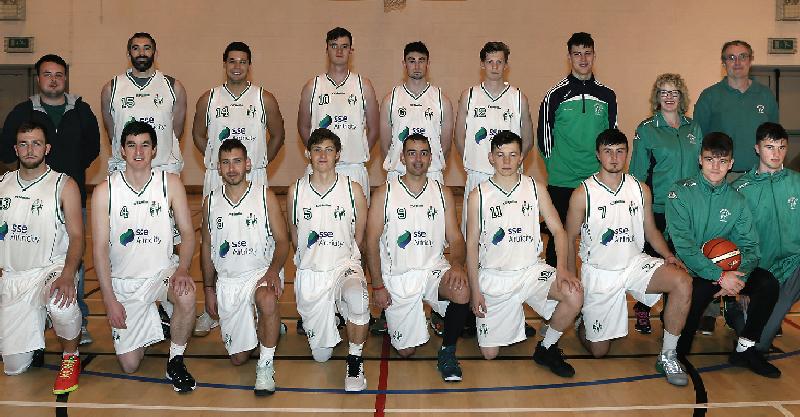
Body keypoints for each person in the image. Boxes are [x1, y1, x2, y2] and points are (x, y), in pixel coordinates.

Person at [565, 128, 693, 386]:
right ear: (598, 155)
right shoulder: (583, 193)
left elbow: (651, 231)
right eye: (608, 152)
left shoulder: (640, 189)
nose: (614, 157)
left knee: (682, 281)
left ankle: (668, 354)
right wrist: (570, 276)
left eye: (620, 151)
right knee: (599, 351)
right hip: (600, 271)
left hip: (634, 263)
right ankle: (583, 320)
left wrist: (668, 255)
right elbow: (568, 238)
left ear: (627, 154)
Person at [0, 54, 100, 345]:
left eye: (58, 74)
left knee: (71, 257)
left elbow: (92, 149)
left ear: (65, 78)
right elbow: (7, 149)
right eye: (47, 74)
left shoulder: (81, 110)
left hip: (70, 195)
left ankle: (75, 319)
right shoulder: (22, 111)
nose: (53, 79)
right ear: (39, 78)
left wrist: (66, 176)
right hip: (28, 198)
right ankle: (32, 315)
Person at [465, 130, 583, 377]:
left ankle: (547, 347)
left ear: (521, 158)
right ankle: (509, 316)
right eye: (500, 155)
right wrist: (475, 291)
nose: (506, 161)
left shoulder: (535, 188)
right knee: (490, 354)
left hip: (531, 271)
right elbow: (471, 246)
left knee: (573, 293)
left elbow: (559, 232)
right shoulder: (478, 195)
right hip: (495, 277)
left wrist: (562, 269)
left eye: (512, 155)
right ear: (491, 158)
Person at [91, 121, 198, 392]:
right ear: (121, 151)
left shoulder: (170, 184)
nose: (138, 151)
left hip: (161, 275)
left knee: (185, 293)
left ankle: (175, 359)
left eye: (145, 145)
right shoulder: (105, 191)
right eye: (131, 145)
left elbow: (187, 234)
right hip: (125, 283)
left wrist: (183, 268)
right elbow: (100, 249)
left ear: (154, 150)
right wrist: (109, 299)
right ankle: (160, 319)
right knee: (130, 364)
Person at [666, 132, 780, 378]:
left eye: (722, 161)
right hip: (692, 270)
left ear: (731, 163)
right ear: (700, 160)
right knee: (695, 292)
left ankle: (745, 349)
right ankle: (677, 352)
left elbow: (751, 246)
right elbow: (683, 245)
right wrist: (719, 276)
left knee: (768, 284)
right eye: (710, 160)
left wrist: (737, 277)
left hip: (728, 271)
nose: (715, 166)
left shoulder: (737, 200)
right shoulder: (681, 192)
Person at [191, 41, 286, 337]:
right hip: (217, 175)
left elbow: (279, 134)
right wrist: (214, 163)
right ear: (224, 63)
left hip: (253, 175)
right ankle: (213, 309)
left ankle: (267, 309)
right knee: (217, 241)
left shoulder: (263, 98)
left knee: (262, 242)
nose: (236, 66)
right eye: (232, 61)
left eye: (242, 61)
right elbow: (197, 134)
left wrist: (257, 164)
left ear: (249, 65)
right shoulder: (209, 98)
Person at [366, 133, 470, 382]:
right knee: (406, 351)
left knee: (462, 290)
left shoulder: (442, 192)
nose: (418, 159)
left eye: (424, 153)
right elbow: (370, 243)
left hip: (432, 269)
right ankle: (402, 320)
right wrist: (378, 285)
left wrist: (456, 265)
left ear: (431, 158)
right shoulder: (384, 193)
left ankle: (447, 351)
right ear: (402, 157)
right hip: (398, 276)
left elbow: (456, 238)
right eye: (412, 153)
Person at [200, 139, 290, 395]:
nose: (232, 168)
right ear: (218, 167)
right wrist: (208, 289)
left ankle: (266, 365)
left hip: (260, 273)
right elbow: (206, 247)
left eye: (237, 161)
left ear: (248, 164)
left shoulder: (265, 195)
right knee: (239, 357)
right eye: (226, 163)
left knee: (267, 299)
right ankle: (267, 327)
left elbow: (283, 241)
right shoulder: (210, 202)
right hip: (228, 280)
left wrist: (273, 271)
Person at [0, 121, 84, 394]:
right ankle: (39, 321)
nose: (30, 149)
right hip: (14, 276)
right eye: (23, 144)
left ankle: (70, 356)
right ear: (15, 149)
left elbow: (78, 237)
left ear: (47, 148)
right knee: (14, 367)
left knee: (61, 301)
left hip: (50, 270)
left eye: (36, 143)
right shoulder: (3, 184)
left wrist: (68, 275)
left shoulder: (63, 184)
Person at [287, 128, 370, 391]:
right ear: (307, 154)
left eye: (329, 149)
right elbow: (295, 236)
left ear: (338, 155)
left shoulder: (352, 189)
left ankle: (355, 359)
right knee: (321, 355)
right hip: (312, 273)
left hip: (343, 266)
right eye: (317, 149)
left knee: (358, 297)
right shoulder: (295, 192)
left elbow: (360, 237)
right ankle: (333, 312)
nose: (323, 154)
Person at [629, 73, 703, 334]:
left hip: (687, 209)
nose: (669, 97)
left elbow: (701, 168)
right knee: (652, 262)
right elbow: (637, 175)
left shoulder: (694, 128)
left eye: (674, 92)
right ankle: (642, 308)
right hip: (658, 209)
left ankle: (673, 317)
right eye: (664, 92)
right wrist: (640, 210)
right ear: (656, 97)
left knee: (683, 262)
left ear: (682, 97)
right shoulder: (647, 129)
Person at [537, 32, 617, 268]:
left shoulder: (607, 95)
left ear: (594, 55)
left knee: (598, 239)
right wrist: (556, 167)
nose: (583, 59)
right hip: (562, 179)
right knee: (559, 238)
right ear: (569, 57)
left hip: (595, 181)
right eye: (577, 54)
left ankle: (595, 294)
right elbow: (544, 138)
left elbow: (611, 137)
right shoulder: (555, 95)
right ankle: (556, 295)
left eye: (587, 53)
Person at [454, 41, 541, 233]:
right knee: (474, 235)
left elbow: (527, 140)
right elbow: (459, 138)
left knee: (506, 231)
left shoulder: (518, 97)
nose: (494, 67)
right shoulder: (469, 96)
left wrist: (513, 163)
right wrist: (473, 161)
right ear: (482, 64)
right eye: (490, 61)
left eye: (499, 62)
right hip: (478, 174)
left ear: (506, 65)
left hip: (509, 176)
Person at [732, 122, 800, 353]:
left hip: (794, 266)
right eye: (770, 147)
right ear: (757, 149)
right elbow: (733, 241)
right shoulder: (741, 189)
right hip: (763, 274)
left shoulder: (796, 182)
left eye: (782, 148)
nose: (777, 154)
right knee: (758, 345)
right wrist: (742, 283)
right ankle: (737, 314)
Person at [297, 27, 379, 202]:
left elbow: (374, 128)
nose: (339, 51)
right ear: (326, 49)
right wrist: (319, 152)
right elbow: (303, 127)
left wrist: (359, 150)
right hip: (320, 169)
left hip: (353, 167)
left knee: (357, 227)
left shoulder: (364, 85)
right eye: (334, 46)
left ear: (351, 50)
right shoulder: (313, 86)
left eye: (344, 46)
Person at [101, 32, 187, 174]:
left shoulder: (173, 87)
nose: (142, 53)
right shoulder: (111, 88)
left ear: (155, 53)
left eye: (147, 48)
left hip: (164, 168)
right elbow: (112, 133)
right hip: (124, 168)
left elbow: (176, 132)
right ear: (128, 54)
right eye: (136, 48)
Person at [694, 40, 779, 174]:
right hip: (722, 178)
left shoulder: (765, 95)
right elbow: (698, 141)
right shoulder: (709, 96)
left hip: (760, 175)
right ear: (723, 63)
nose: (737, 62)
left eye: (743, 56)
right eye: (731, 57)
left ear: (750, 61)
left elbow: (775, 139)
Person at [380, 41, 453, 185]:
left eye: (421, 60)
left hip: (432, 173)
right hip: (398, 172)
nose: (417, 66)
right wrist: (397, 164)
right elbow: (385, 146)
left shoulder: (442, 101)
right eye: (412, 61)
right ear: (404, 64)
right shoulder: (391, 100)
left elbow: (445, 146)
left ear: (428, 64)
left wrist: (427, 165)